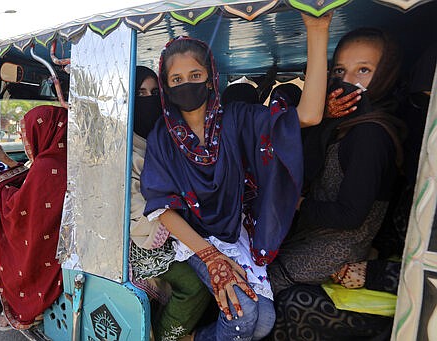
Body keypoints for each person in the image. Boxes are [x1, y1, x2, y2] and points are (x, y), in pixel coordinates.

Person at [140, 13, 332, 340]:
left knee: (265, 320)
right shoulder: (163, 137)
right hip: (193, 240)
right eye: (177, 79)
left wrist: (317, 31)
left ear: (210, 77)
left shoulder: (237, 119)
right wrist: (210, 256)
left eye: (195, 74)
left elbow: (310, 115)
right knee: (242, 316)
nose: (187, 84)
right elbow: (162, 207)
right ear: (167, 87)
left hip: (234, 235)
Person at [268, 27, 407, 340]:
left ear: (386, 75)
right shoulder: (348, 124)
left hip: (333, 249)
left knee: (258, 290)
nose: (349, 82)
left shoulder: (370, 134)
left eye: (364, 70)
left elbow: (349, 215)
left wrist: (296, 203)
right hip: (315, 239)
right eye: (341, 71)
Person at [129, 66, 211, 341]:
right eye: (140, 93)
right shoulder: (125, 146)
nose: (148, 99)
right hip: (139, 235)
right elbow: (133, 207)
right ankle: (165, 337)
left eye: (154, 93)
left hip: (173, 225)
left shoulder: (167, 136)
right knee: (194, 284)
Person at [0, 105, 67, 330]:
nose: (23, 139)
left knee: (11, 249)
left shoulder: (48, 165)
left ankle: (27, 308)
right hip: (64, 240)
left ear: (43, 131)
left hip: (52, 248)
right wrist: (4, 160)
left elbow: (18, 207)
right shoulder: (61, 157)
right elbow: (34, 185)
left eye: (25, 134)